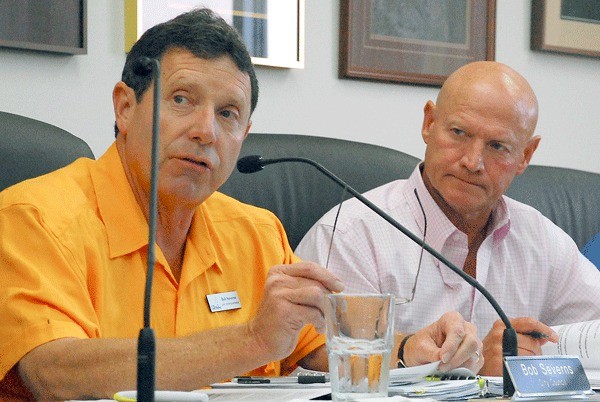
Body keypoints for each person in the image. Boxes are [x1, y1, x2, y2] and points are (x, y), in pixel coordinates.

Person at [0, 9, 482, 400]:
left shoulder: (255, 231)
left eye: (227, 114)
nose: (205, 131)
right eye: (182, 99)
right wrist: (251, 340)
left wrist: (407, 351)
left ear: (243, 135)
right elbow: (52, 373)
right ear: (125, 107)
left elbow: (315, 350)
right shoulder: (35, 217)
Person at [296, 61, 600, 376]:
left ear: (525, 155)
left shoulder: (544, 242)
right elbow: (313, 361)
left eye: (497, 146)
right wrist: (468, 368)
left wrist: (530, 366)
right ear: (429, 122)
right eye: (458, 133)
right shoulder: (350, 234)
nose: (472, 162)